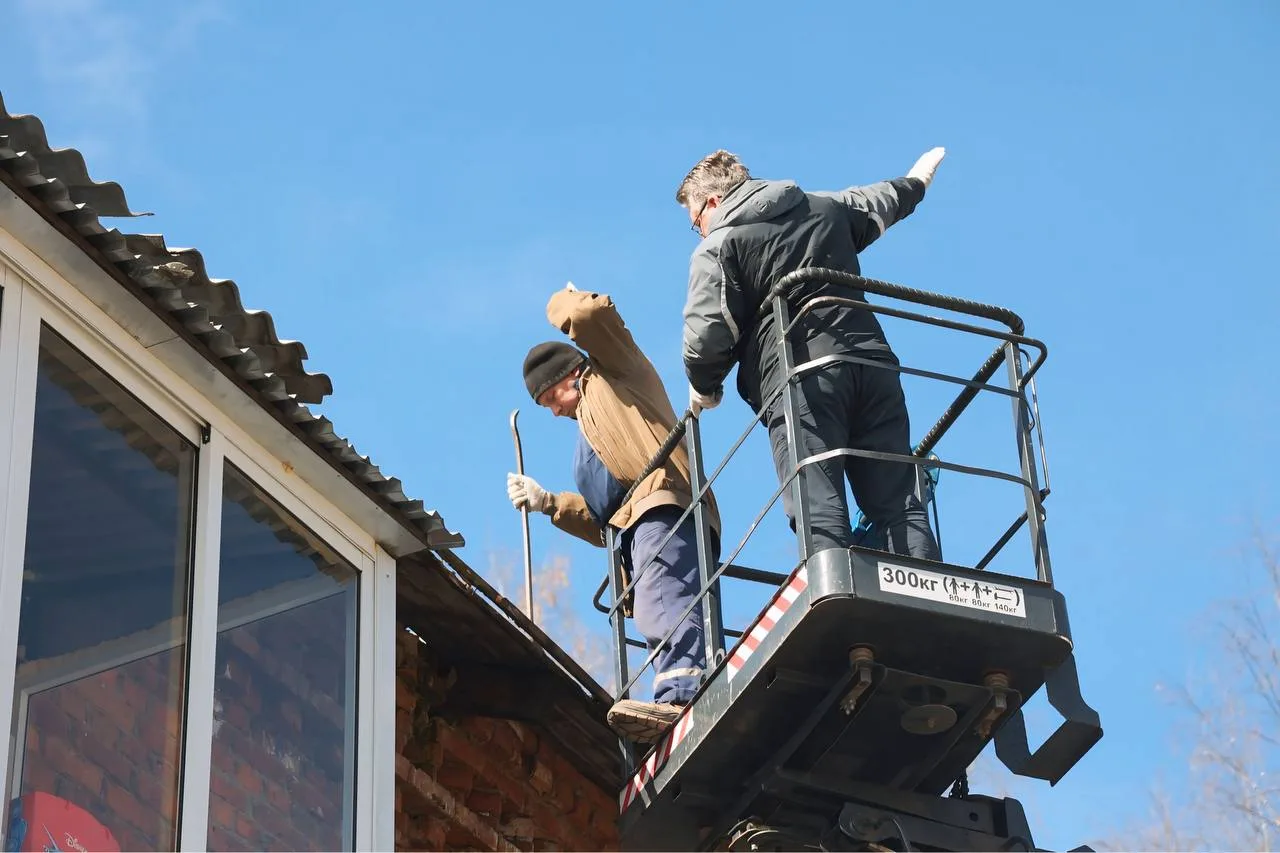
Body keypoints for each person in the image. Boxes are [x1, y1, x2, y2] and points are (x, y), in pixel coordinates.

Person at [675, 147, 946, 561]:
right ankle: (922, 580)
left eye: (695, 222)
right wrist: (916, 183)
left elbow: (707, 335)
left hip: (800, 379)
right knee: (898, 500)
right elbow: (877, 202)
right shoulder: (823, 206)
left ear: (713, 202)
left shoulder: (718, 246)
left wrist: (704, 386)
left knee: (816, 502)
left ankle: (835, 592)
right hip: (871, 361)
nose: (699, 231)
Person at [507, 282, 722, 743]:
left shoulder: (616, 374)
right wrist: (549, 503)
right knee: (657, 603)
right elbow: (606, 519)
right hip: (636, 527)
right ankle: (683, 686)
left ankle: (681, 696)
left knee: (663, 599)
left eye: (551, 399)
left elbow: (592, 318)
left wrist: (565, 301)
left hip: (663, 503)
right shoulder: (590, 438)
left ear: (570, 375)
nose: (554, 412)